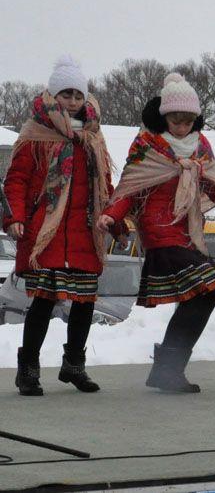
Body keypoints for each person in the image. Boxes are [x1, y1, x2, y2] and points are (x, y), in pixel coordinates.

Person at [99, 73, 215, 393]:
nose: (182, 127)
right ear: (164, 117)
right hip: (158, 231)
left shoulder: (200, 146)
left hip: (187, 232)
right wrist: (111, 216)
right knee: (207, 287)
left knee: (205, 294)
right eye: (176, 120)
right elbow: (129, 187)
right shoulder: (147, 144)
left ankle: (169, 368)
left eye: (188, 121)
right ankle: (167, 368)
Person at [4, 55, 122, 396]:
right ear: (53, 96)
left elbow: (105, 186)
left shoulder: (94, 139)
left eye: (77, 95)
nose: (72, 101)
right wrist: (14, 218)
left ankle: (74, 365)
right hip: (47, 232)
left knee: (84, 303)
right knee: (43, 300)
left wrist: (115, 219)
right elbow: (17, 181)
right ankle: (28, 368)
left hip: (85, 232)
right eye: (65, 94)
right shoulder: (34, 136)